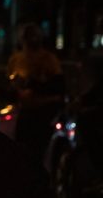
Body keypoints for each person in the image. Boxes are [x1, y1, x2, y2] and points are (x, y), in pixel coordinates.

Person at [7, 23, 64, 165]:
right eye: (26, 36)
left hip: (44, 111)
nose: (30, 40)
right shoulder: (16, 59)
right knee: (20, 151)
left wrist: (33, 84)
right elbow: (11, 82)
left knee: (38, 152)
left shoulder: (48, 59)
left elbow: (57, 85)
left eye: (33, 36)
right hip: (25, 110)